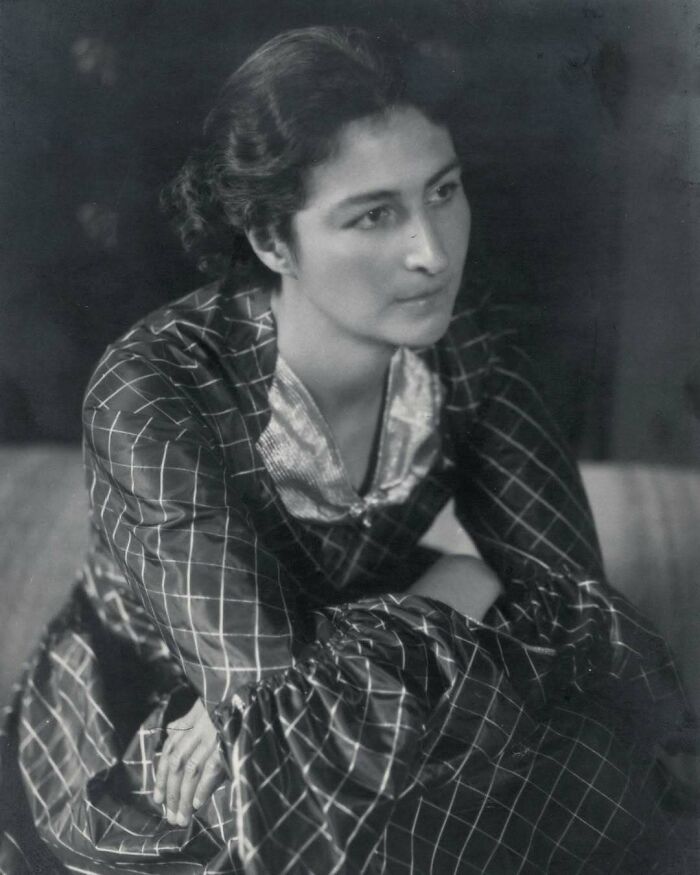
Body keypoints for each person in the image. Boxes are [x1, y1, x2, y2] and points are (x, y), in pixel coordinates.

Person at [0, 25, 696, 874]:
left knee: (596, 747)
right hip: (172, 692)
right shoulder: (153, 387)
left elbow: (574, 609)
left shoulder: (470, 350)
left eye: (443, 192)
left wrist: (464, 580)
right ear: (269, 240)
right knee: (247, 820)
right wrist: (474, 576)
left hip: (384, 666)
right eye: (374, 215)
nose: (431, 253)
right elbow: (270, 700)